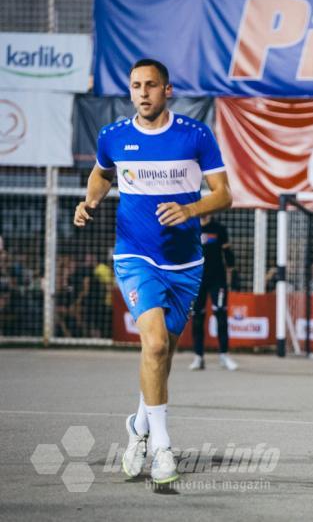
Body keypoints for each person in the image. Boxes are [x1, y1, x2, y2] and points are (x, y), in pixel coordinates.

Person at [73, 58, 231, 484]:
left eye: (151, 85)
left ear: (167, 90)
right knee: (156, 345)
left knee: (162, 355)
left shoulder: (194, 136)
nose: (142, 92)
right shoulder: (114, 136)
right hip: (135, 255)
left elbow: (224, 195)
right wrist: (89, 202)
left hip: (186, 264)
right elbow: (102, 174)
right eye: (136, 85)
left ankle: (138, 426)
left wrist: (190, 208)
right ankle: (162, 448)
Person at [190, 215, 238, 371]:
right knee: (197, 318)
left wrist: (234, 274)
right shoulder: (192, 228)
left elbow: (228, 254)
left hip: (218, 279)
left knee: (221, 316)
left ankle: (224, 355)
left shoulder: (219, 229)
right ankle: (198, 357)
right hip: (197, 280)